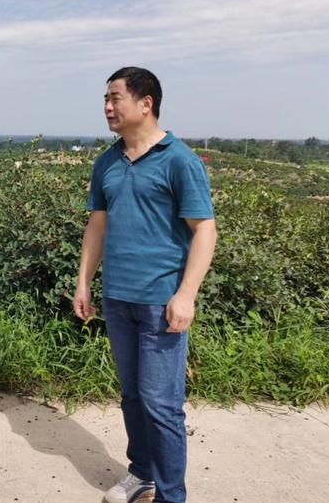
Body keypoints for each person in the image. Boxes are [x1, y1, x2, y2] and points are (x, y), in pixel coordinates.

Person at [73, 67, 217, 503]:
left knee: (161, 405)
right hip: (118, 298)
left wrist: (186, 295)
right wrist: (83, 282)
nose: (107, 107)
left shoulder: (179, 160)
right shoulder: (107, 162)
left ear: (146, 103)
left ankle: (172, 495)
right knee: (133, 397)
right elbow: (97, 226)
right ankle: (142, 475)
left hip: (161, 301)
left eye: (115, 98)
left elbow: (205, 230)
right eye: (105, 98)